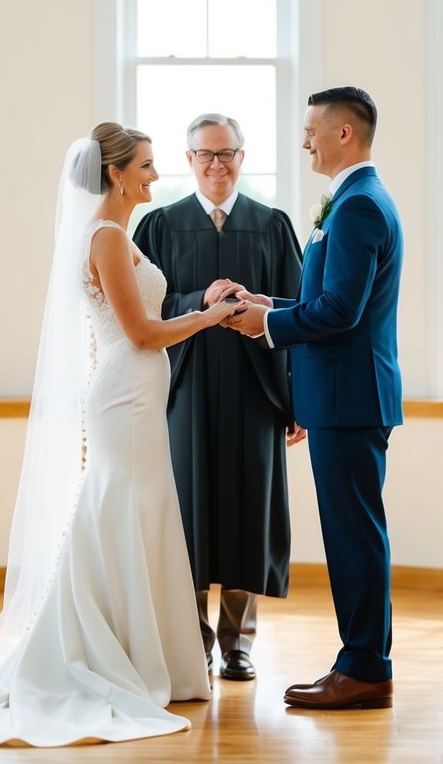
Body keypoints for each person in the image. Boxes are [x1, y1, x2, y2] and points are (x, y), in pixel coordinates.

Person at [0, 123, 241, 747]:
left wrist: (201, 308)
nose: (156, 175)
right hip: (125, 397)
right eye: (148, 166)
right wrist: (210, 317)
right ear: (116, 174)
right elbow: (141, 334)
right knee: (120, 511)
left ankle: (144, 652)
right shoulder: (104, 236)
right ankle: (107, 652)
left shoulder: (114, 233)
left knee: (138, 513)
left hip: (137, 397)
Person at [225, 88, 404, 710]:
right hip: (346, 397)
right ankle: (363, 662)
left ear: (344, 134)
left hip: (348, 399)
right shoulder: (356, 200)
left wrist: (267, 329)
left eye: (311, 130)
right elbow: (326, 302)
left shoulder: (357, 208)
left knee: (354, 536)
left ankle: (364, 669)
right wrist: (265, 304)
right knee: (354, 533)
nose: (304, 140)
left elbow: (340, 313)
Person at [133, 113, 303, 682]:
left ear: (242, 156)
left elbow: (301, 314)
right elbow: (140, 308)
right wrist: (196, 302)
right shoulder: (159, 226)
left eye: (226, 153)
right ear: (189, 161)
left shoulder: (272, 225)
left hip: (257, 391)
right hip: (187, 389)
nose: (216, 164)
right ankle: (193, 641)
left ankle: (239, 642)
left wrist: (297, 401)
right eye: (205, 155)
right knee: (190, 516)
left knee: (247, 515)